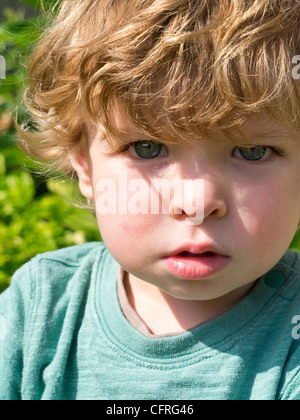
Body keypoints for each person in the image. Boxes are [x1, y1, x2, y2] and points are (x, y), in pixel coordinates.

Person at [1, 0, 300, 400]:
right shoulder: (40, 307)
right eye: (146, 148)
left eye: (252, 152)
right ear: (84, 166)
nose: (196, 203)